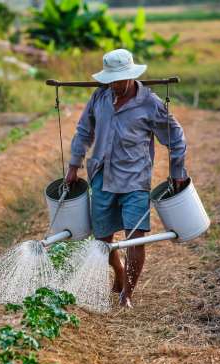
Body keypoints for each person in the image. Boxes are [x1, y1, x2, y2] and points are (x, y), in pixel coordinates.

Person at [65, 49, 188, 308]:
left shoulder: (150, 103)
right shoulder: (99, 97)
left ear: (132, 76)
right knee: (103, 240)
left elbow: (175, 137)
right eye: (111, 80)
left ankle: (126, 295)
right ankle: (119, 272)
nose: (115, 85)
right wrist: (73, 165)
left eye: (120, 80)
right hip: (102, 176)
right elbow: (83, 131)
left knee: (136, 236)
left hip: (135, 180)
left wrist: (177, 171)